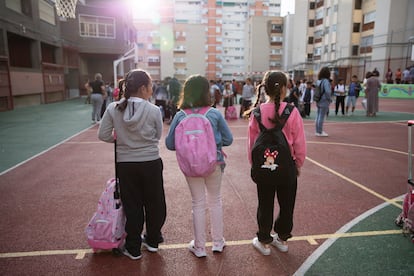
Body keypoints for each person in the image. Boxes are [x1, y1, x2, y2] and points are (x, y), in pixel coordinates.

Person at [98, 69, 167, 260]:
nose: (152, 89)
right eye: (151, 85)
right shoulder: (153, 110)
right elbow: (156, 136)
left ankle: (133, 247)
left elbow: (103, 134)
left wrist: (122, 141)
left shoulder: (113, 108)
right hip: (151, 162)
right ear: (143, 88)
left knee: (132, 205)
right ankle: (153, 240)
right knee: (155, 203)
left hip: (126, 163)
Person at [165, 75, 233, 258]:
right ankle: (218, 242)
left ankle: (200, 247)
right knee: (215, 200)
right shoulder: (214, 113)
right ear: (206, 92)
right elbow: (229, 139)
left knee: (198, 203)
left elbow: (170, 144)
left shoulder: (180, 115)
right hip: (214, 163)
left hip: (191, 166)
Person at [247, 70, 306, 255]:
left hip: (264, 167)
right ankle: (282, 239)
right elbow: (299, 142)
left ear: (265, 88)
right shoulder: (292, 111)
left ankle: (264, 240)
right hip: (287, 167)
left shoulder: (257, 112)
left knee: (265, 203)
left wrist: (254, 165)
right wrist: (298, 163)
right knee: (287, 204)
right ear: (284, 89)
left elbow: (252, 144)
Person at [315, 67, 332, 136]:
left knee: (318, 116)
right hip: (324, 100)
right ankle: (320, 131)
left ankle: (317, 130)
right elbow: (328, 91)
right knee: (321, 116)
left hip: (318, 99)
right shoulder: (326, 81)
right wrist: (329, 99)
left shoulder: (318, 81)